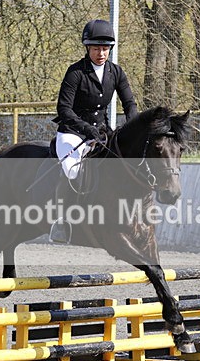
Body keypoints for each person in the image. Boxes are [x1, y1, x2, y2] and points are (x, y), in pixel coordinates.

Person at [49, 19, 139, 243]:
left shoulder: (115, 72)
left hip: (101, 133)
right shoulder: (76, 73)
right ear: (87, 48)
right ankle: (61, 221)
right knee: (72, 170)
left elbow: (129, 104)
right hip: (72, 133)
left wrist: (134, 126)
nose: (101, 52)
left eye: (105, 48)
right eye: (96, 48)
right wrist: (87, 129)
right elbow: (64, 109)